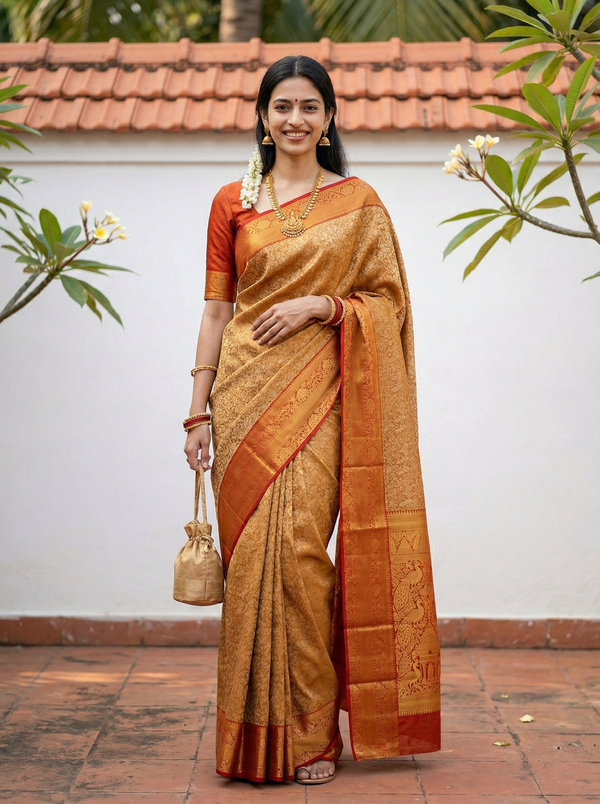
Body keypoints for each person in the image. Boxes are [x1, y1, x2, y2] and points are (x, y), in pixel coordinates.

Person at [183, 54, 441, 786]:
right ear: (262, 118)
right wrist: (196, 410)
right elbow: (215, 310)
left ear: (328, 119)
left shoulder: (359, 203)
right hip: (241, 396)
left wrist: (323, 306)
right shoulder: (232, 202)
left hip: (323, 398)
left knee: (299, 553)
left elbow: (388, 304)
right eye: (281, 106)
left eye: (309, 107)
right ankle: (253, 735)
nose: (294, 119)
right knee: (252, 565)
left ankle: (309, 736)